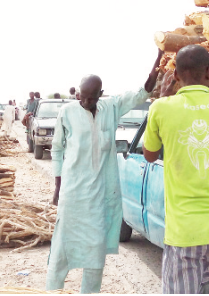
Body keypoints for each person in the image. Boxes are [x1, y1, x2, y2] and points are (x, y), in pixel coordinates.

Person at [47, 50, 164, 294]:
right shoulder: (67, 112)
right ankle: (52, 289)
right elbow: (57, 150)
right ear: (78, 93)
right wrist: (57, 188)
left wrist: (158, 60)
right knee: (62, 244)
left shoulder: (111, 107)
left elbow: (142, 92)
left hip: (101, 193)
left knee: (95, 248)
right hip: (73, 192)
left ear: (100, 94)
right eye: (83, 96)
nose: (87, 102)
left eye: (92, 97)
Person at [143, 45, 209, 294]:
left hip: (186, 232)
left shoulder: (161, 107)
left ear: (176, 75)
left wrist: (162, 99)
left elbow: (149, 156)